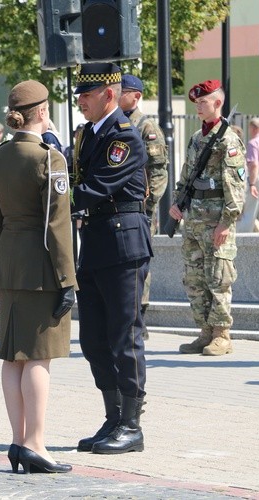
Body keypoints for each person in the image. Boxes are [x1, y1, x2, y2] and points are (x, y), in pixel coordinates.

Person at [0, 80, 75, 474]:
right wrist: (67, 278)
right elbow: (57, 226)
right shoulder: (49, 158)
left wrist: (3, 261)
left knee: (13, 356)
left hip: (10, 263)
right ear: (42, 112)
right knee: (39, 356)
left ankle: (18, 439)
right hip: (42, 267)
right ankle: (35, 442)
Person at [71, 63, 151, 455]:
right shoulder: (87, 135)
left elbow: (95, 187)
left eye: (86, 95)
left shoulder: (124, 137)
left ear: (108, 95)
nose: (80, 102)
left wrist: (49, 199)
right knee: (94, 339)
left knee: (125, 336)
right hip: (97, 242)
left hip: (124, 244)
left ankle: (132, 425)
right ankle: (113, 415)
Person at [169, 80, 246, 357]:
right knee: (195, 279)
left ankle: (221, 334)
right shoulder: (195, 138)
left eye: (203, 101)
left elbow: (235, 186)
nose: (199, 106)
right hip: (194, 220)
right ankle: (204, 332)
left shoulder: (228, 139)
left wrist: (227, 221)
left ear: (218, 103)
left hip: (216, 220)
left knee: (218, 278)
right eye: (196, 102)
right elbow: (186, 175)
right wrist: (177, 203)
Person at [119, 74, 169, 340]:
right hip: (120, 208)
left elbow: (159, 171)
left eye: (122, 91)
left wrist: (147, 207)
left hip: (139, 208)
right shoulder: (117, 123)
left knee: (139, 264)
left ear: (136, 96)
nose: (116, 94)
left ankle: (140, 317)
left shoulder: (145, 126)